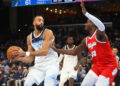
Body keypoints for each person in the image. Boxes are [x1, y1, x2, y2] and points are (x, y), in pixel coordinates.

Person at [52, 0, 118, 86]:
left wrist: (86, 13)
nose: (85, 24)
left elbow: (102, 26)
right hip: (97, 66)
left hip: (110, 66)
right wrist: (57, 49)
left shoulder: (99, 34)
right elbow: (74, 52)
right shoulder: (86, 40)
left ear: (93, 24)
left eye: (87, 22)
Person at [12, 16, 59, 86]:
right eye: (39, 20)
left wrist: (25, 53)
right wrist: (19, 58)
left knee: (49, 81)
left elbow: (44, 52)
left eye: (43, 21)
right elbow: (30, 59)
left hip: (51, 63)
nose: (41, 22)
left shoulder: (48, 32)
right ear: (33, 23)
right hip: (39, 65)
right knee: (27, 83)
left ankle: (55, 83)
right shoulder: (29, 37)